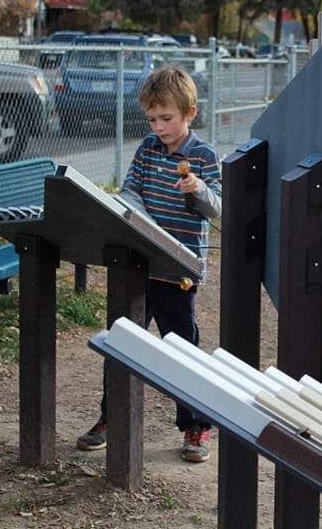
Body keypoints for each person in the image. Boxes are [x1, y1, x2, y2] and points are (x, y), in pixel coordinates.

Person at [76, 67, 221, 463]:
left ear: (189, 113)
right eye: (152, 119)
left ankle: (196, 423)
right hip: (140, 265)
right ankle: (111, 417)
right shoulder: (147, 150)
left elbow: (219, 209)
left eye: (167, 119)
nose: (159, 127)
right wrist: (135, 220)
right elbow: (130, 193)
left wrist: (198, 190)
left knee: (181, 349)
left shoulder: (204, 156)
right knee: (122, 343)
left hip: (177, 272)